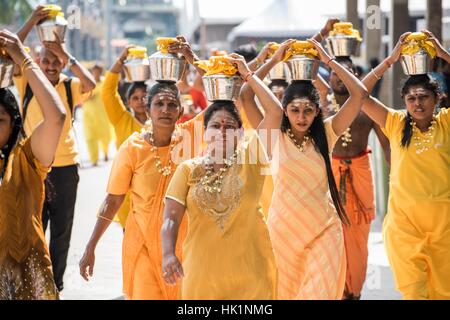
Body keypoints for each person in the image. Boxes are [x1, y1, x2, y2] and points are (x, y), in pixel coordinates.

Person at [79, 38, 209, 300]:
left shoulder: (190, 137)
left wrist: (191, 57)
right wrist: (90, 247)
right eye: (158, 104)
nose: (165, 109)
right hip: (141, 246)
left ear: (181, 110)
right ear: (147, 110)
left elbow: (222, 98)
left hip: (182, 244)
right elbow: (113, 199)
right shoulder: (133, 148)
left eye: (172, 104)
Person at [241, 38, 369, 300]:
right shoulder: (273, 135)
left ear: (316, 111)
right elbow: (245, 95)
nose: (301, 117)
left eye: (308, 110)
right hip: (284, 232)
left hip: (325, 231)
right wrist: (274, 60)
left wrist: (327, 60)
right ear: (285, 111)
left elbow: (359, 95)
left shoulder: (328, 133)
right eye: (295, 110)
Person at [161, 53, 278, 299]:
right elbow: (170, 218)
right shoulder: (188, 169)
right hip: (202, 277)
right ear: (205, 133)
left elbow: (275, 113)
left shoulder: (253, 156)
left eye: (229, 126)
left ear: (240, 133)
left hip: (252, 276)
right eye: (216, 126)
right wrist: (168, 253)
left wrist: (247, 73)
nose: (222, 131)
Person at [361, 30, 450, 300]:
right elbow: (360, 95)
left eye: (424, 97)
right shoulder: (395, 123)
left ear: (437, 99)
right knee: (415, 294)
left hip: (445, 227)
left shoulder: (446, 122)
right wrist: (390, 60)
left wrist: (444, 55)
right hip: (405, 228)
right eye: (411, 98)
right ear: (404, 102)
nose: (417, 103)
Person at [15, 5, 96, 292]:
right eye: (46, 60)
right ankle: (30, 281)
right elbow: (10, 50)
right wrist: (33, 21)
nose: (50, 66)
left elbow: (91, 83)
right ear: (37, 60)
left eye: (55, 62)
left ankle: (55, 284)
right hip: (34, 166)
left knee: (61, 232)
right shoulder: (27, 81)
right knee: (32, 228)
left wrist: (65, 54)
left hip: (64, 168)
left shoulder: (70, 85)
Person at [314, 19, 391, 299]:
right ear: (330, 75)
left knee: (358, 236)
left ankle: (353, 291)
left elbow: (386, 145)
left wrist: (397, 180)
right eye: (335, 73)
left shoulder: (367, 107)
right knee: (332, 233)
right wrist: (322, 36)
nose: (338, 78)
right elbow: (307, 65)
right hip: (329, 174)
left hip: (360, 170)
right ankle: (335, 289)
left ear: (355, 75)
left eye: (346, 73)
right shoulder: (322, 100)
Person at [0, 29, 66, 300]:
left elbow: (56, 117)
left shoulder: (27, 159)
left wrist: (23, 58)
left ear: (14, 124)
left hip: (28, 281)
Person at [82, 64, 114, 166]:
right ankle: (94, 159)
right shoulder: (86, 83)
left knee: (105, 135)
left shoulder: (105, 82)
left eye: (98, 71)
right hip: (89, 115)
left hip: (102, 113)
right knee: (90, 137)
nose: (96, 73)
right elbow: (80, 95)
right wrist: (88, 96)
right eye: (94, 71)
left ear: (100, 72)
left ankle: (105, 153)